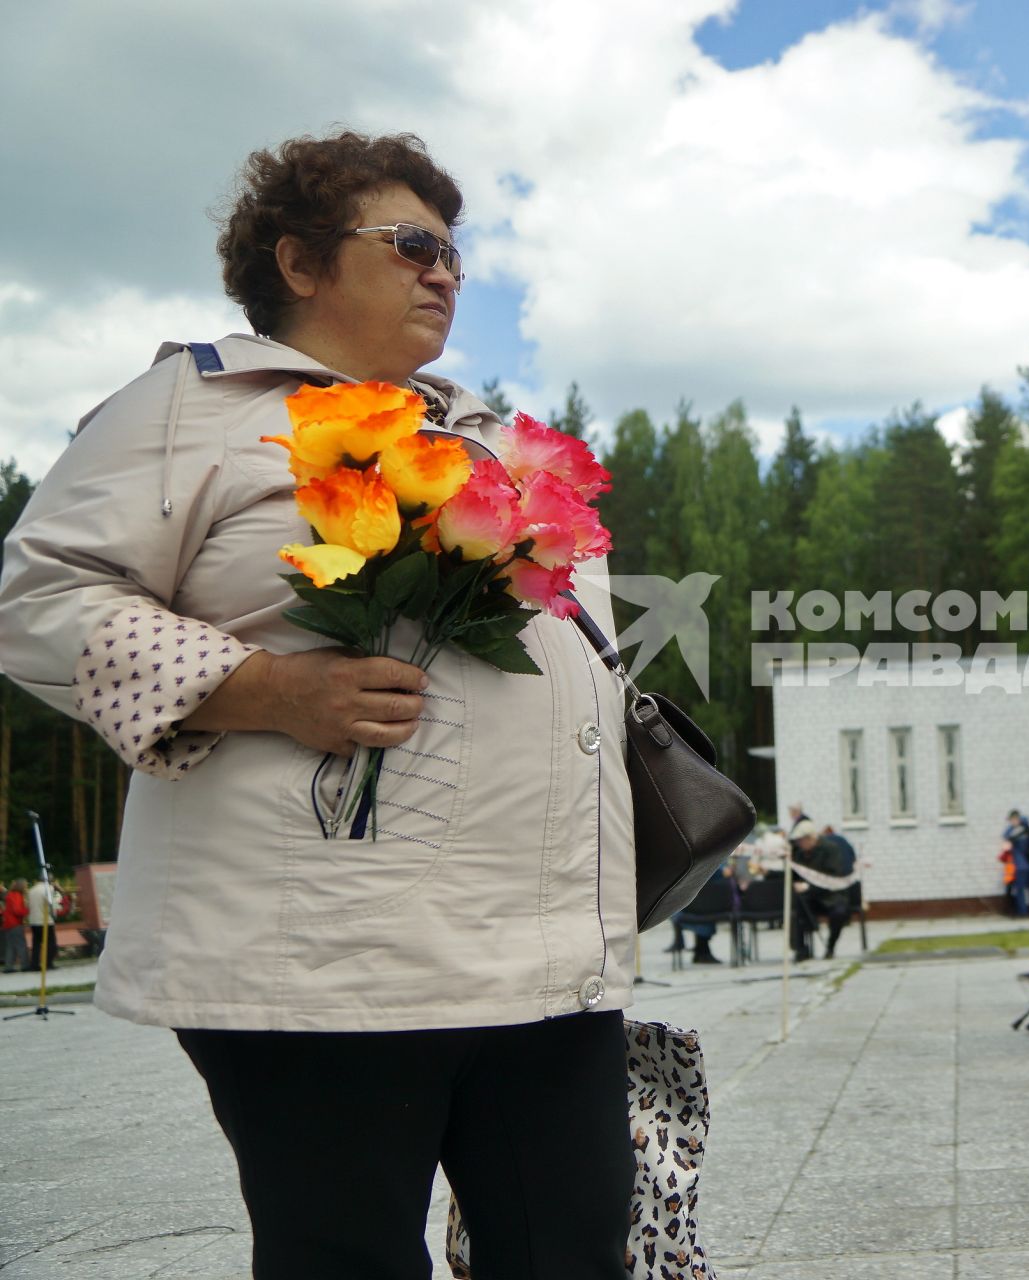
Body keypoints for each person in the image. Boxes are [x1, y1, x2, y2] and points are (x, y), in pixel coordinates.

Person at [0, 131, 639, 1276]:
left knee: (573, 1252)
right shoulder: (188, 408)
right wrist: (258, 685)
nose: (445, 270)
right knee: (346, 1258)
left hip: (546, 955)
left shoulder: (488, 439)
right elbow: (37, 597)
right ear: (297, 261)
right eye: (409, 244)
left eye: (452, 250)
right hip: (322, 959)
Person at [789, 819, 856, 960]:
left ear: (810, 838)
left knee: (839, 913)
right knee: (797, 909)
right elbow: (796, 875)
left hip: (832, 895)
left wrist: (808, 886)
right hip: (811, 897)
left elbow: (833, 875)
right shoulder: (800, 854)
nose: (799, 844)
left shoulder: (831, 849)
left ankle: (830, 947)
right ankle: (801, 949)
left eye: (801, 841)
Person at [23, 877, 58, 972]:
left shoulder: (31, 890)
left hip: (34, 921)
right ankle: (48, 963)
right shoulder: (48, 888)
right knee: (51, 944)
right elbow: (52, 904)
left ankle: (35, 964)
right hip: (46, 920)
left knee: (36, 944)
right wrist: (54, 915)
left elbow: (27, 905)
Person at [1, 879, 26, 973]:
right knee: (21, 945)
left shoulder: (9, 894)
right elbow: (17, 910)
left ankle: (9, 966)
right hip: (15, 923)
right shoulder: (17, 895)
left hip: (7, 924)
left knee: (10, 946)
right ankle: (25, 965)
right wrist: (27, 911)